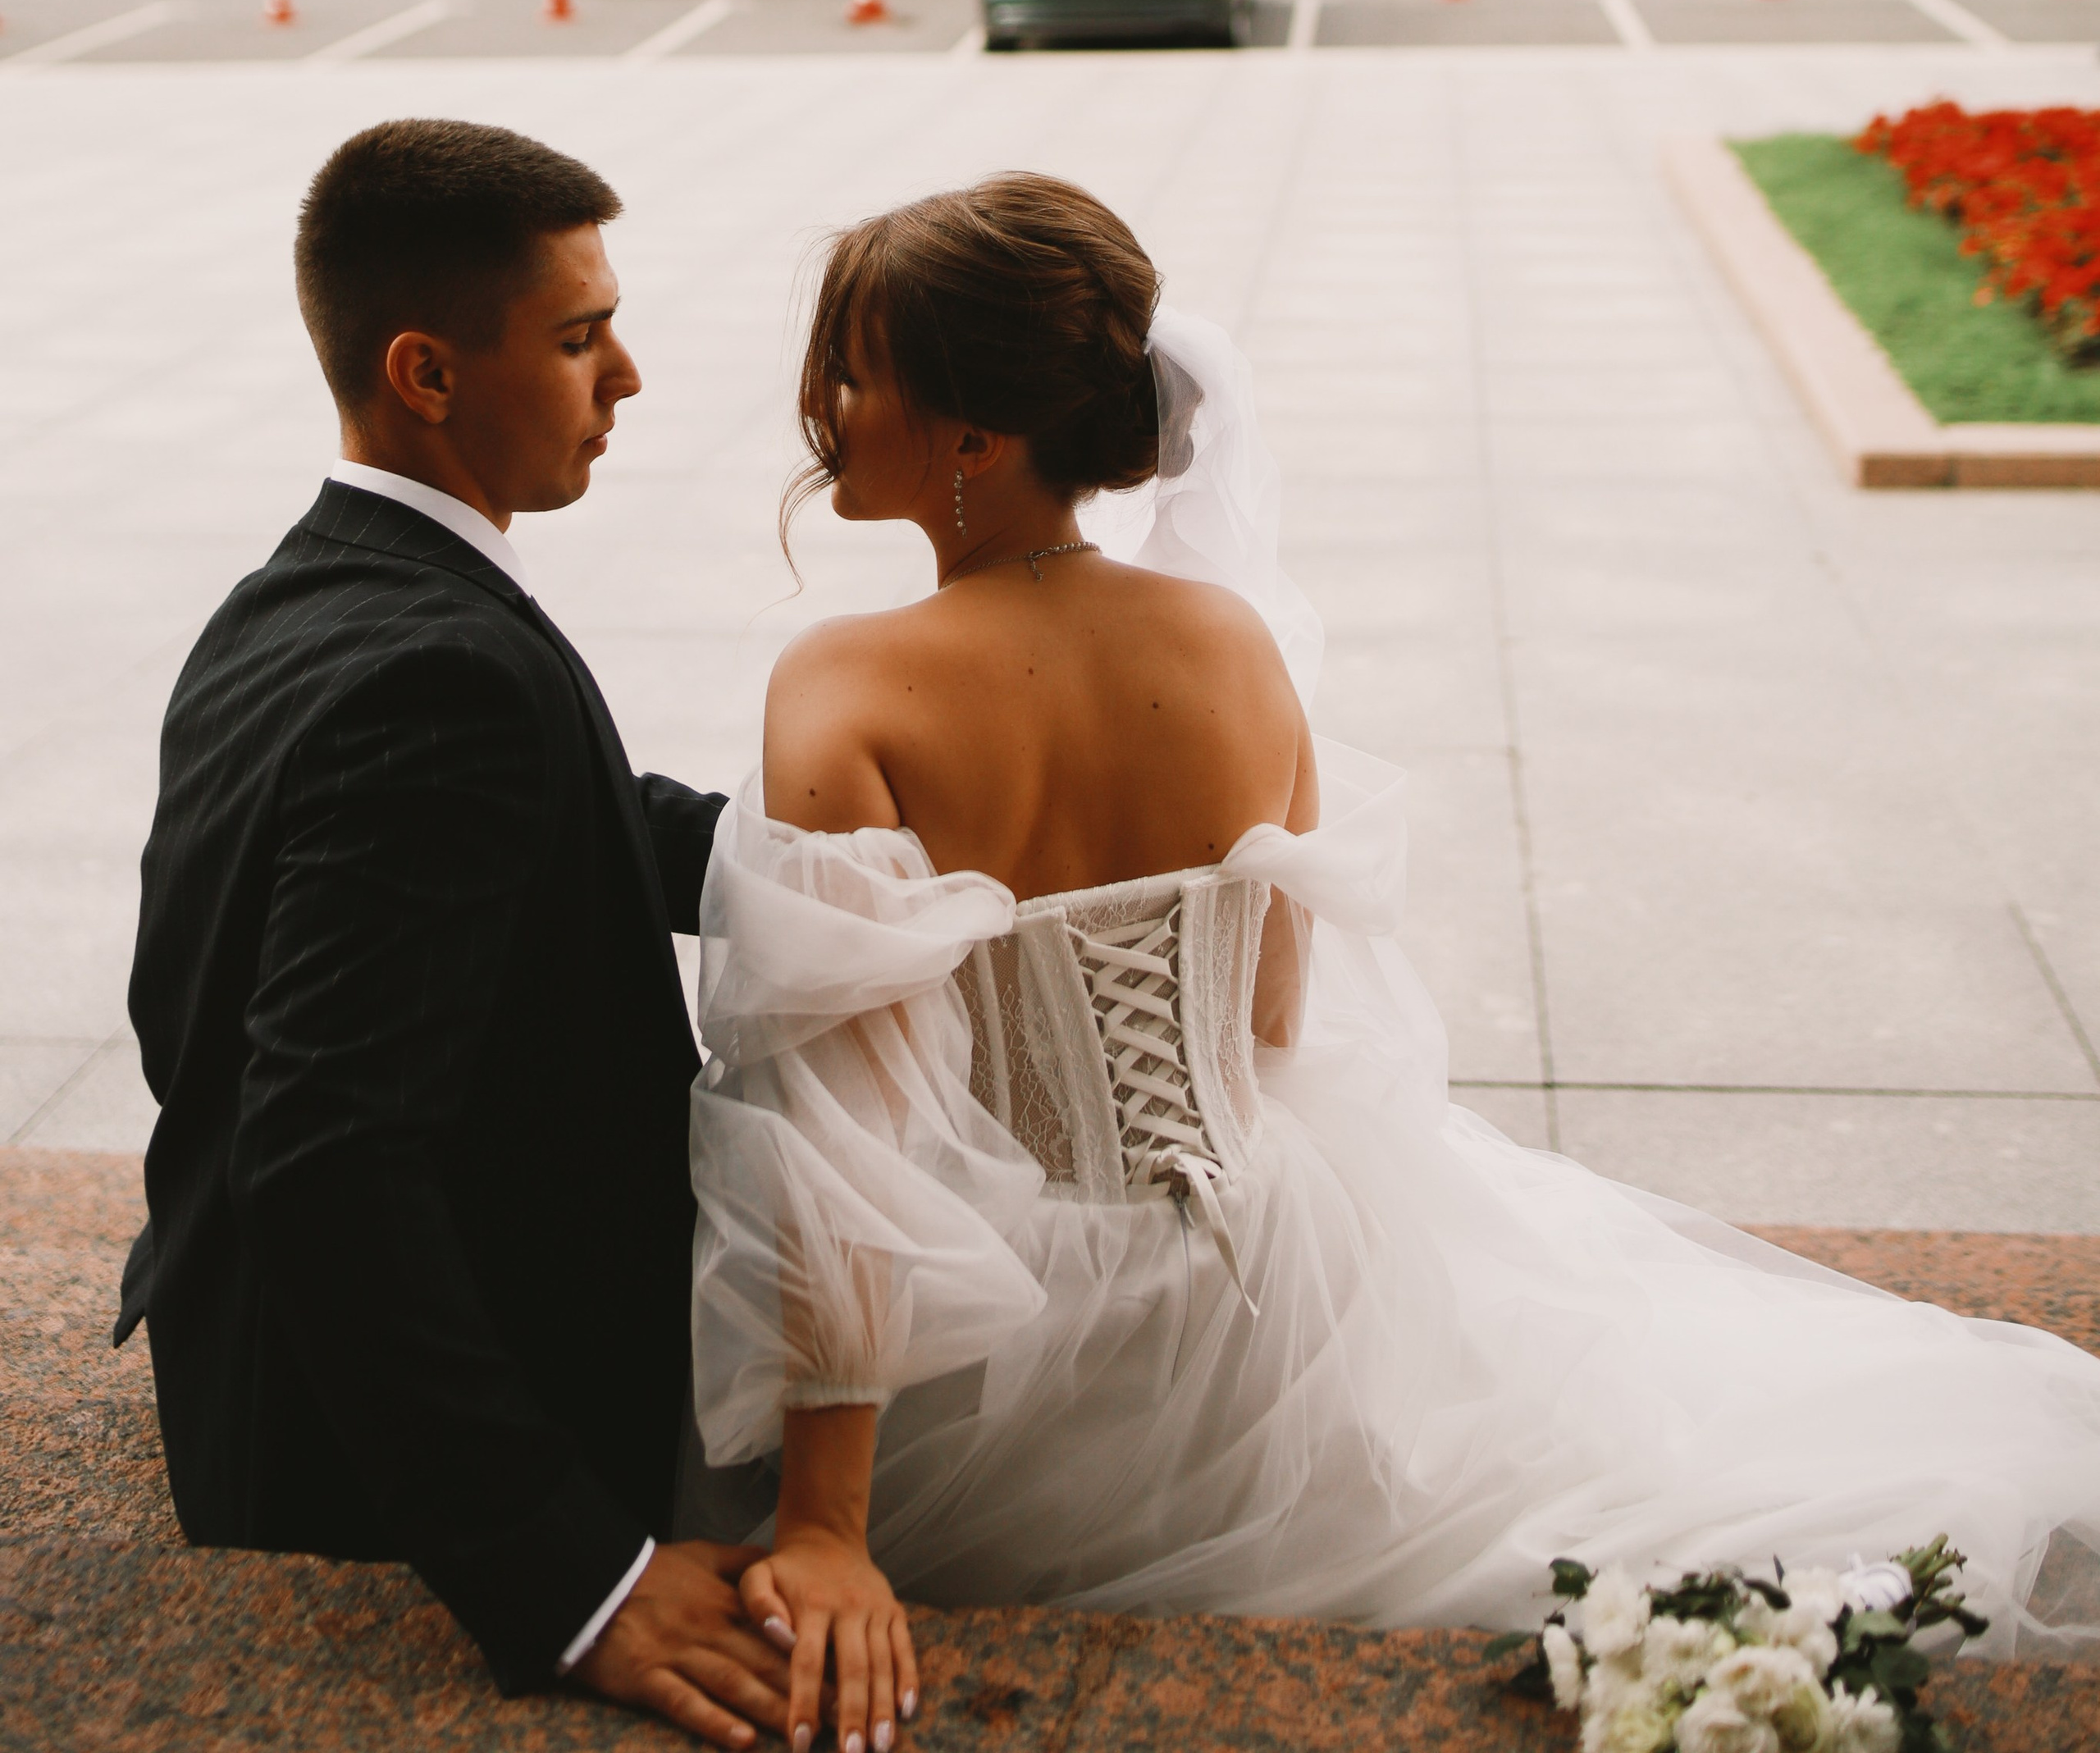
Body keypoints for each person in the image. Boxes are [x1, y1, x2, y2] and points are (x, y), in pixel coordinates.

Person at [682, 174, 2100, 1753]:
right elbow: (1272, 1019)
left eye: (858, 371)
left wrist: (825, 1526)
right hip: (1279, 1313)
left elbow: (834, 1145)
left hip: (1003, 1368)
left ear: (970, 438)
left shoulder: (843, 690)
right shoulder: (1238, 647)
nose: (825, 407)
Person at [124, 118, 792, 1743]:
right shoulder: (443, 675)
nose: (623, 375)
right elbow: (329, 1156)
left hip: (247, 1359)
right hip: (352, 1470)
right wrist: (573, 1575)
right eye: (578, 338)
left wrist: (822, 861)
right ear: (426, 373)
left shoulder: (311, 588)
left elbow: (563, 821)